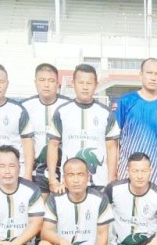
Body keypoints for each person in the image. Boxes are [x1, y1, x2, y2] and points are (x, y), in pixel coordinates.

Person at [39, 63, 117, 192]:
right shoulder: (62, 111)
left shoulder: (106, 113)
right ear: (73, 84)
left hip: (99, 183)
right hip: (69, 183)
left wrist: (110, 180)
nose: (85, 87)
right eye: (81, 83)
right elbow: (53, 145)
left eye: (89, 83)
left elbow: (111, 147)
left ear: (96, 85)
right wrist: (53, 179)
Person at [112, 58, 157, 189]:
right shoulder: (126, 101)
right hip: (128, 172)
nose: (153, 78)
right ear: (141, 75)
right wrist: (115, 169)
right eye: (149, 73)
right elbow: (114, 139)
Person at [22, 63, 71, 187]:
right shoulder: (24, 107)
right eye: (42, 80)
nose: (46, 84)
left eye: (51, 80)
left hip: (63, 171)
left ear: (57, 83)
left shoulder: (69, 106)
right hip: (33, 172)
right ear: (35, 82)